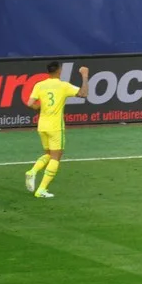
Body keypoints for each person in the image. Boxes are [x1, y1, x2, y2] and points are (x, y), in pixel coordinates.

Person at [25, 62, 90, 198]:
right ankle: (41, 189)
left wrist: (39, 108)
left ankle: (33, 171)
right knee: (56, 157)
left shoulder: (39, 85)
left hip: (42, 125)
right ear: (59, 71)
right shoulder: (63, 86)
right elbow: (83, 94)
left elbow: (30, 103)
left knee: (49, 154)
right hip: (55, 127)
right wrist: (84, 75)